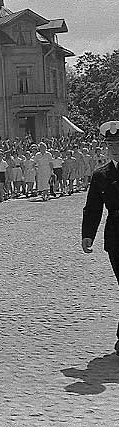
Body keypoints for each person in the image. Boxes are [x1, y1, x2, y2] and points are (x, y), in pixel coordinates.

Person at [82, 121, 119, 353]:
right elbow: (93, 207)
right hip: (116, 237)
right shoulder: (101, 175)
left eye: (118, 144)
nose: (114, 149)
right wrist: (88, 234)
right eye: (110, 145)